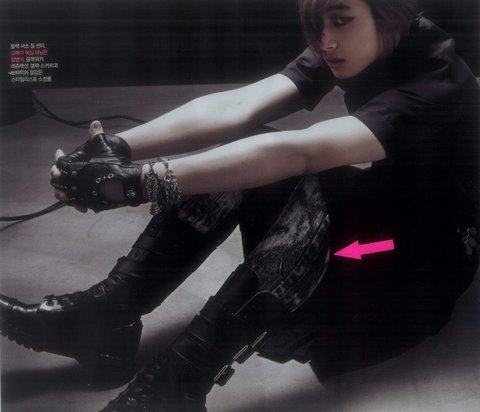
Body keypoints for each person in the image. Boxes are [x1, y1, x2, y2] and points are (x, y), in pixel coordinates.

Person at [1, 0, 479, 410]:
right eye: (318, 25)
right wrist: (116, 149)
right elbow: (240, 107)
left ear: (390, 12)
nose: (326, 41)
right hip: (384, 222)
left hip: (418, 269)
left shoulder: (440, 77)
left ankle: (175, 388)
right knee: (243, 155)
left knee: (292, 176)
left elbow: (303, 152)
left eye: (340, 20)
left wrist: (138, 184)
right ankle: (108, 320)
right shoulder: (362, 41)